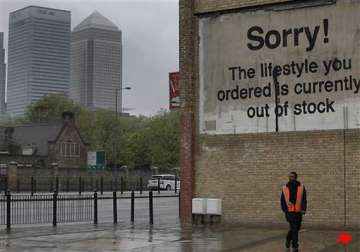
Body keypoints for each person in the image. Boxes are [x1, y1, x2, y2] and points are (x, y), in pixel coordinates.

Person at [281, 172, 307, 252]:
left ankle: (288, 238)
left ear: (296, 177)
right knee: (294, 228)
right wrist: (285, 210)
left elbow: (304, 199)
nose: (290, 178)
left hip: (298, 211)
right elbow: (282, 201)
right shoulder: (285, 187)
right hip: (289, 212)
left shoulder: (301, 187)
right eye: (289, 177)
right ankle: (295, 245)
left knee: (297, 227)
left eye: (292, 176)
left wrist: (303, 209)